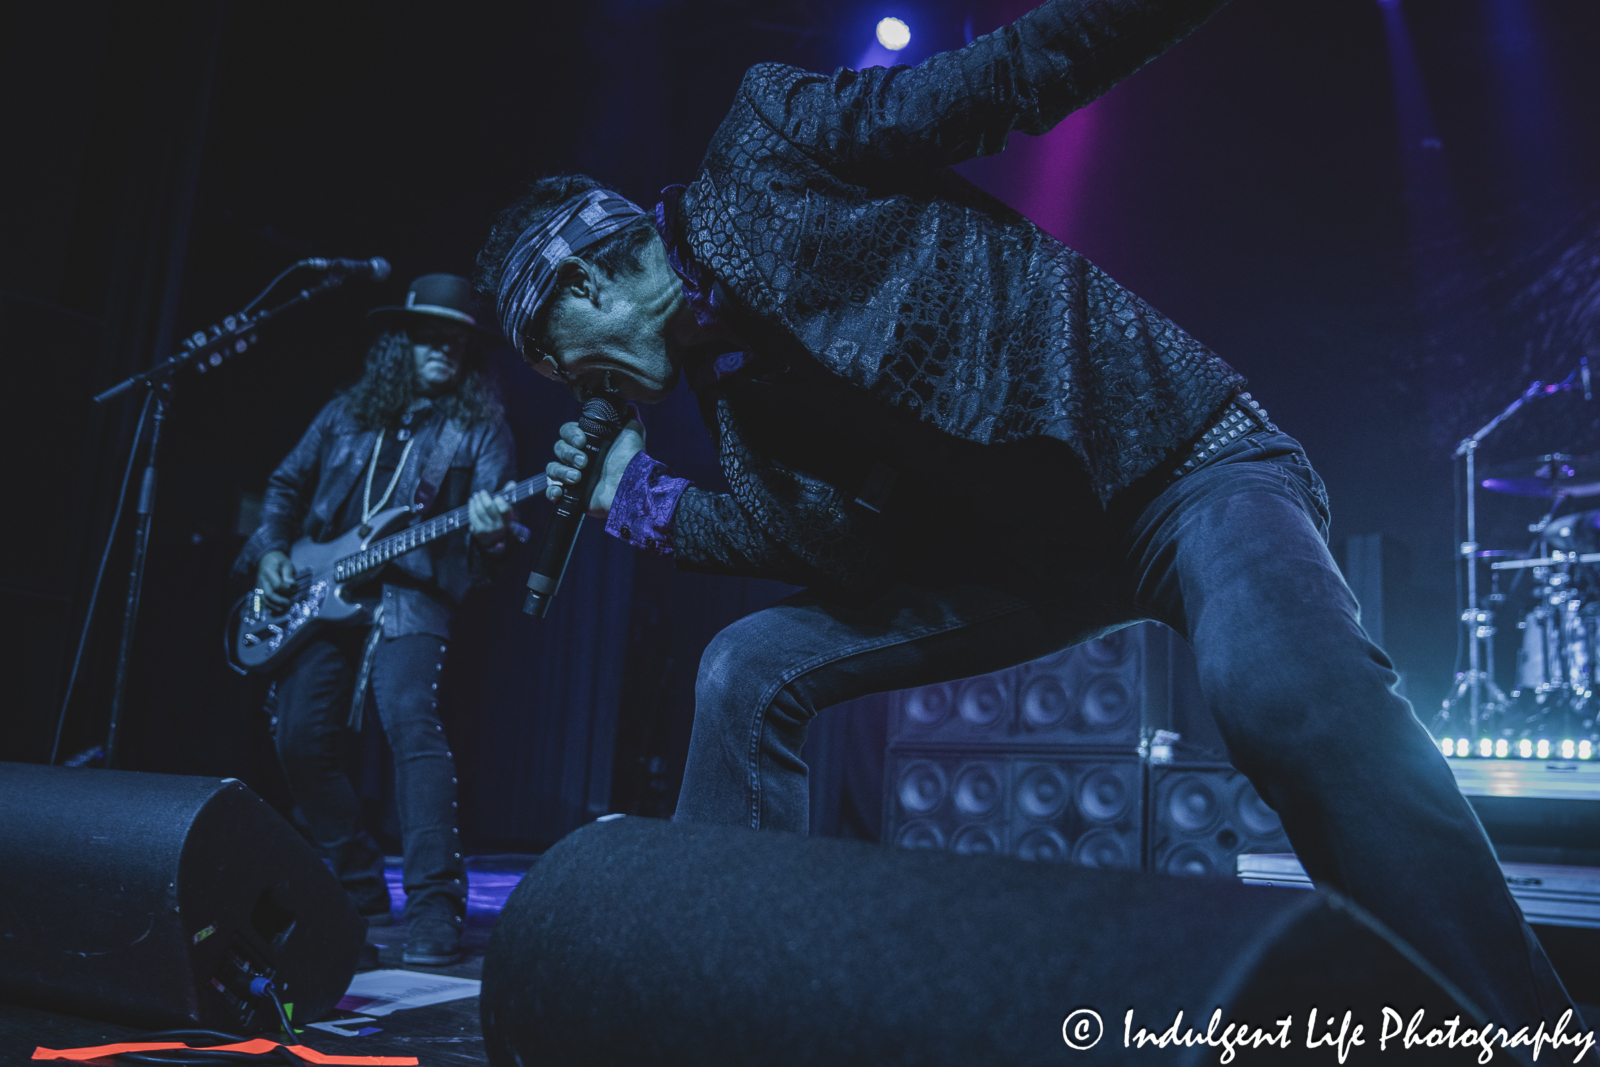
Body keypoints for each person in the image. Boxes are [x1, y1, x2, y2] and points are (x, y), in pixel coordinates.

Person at [473, 0, 1586, 1043]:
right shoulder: (722, 390)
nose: (574, 384)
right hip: (1020, 569)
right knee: (744, 664)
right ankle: (715, 1007)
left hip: (1173, 466)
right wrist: (639, 495)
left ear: (587, 287)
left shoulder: (768, 149)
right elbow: (821, 549)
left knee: (1280, 690)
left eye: (553, 360)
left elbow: (1007, 76)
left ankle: (1521, 1031)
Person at [235, 273, 517, 966]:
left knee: (410, 724)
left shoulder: (478, 428)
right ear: (402, 343)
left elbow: (495, 531)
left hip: (411, 594)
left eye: (459, 341)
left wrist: (489, 530)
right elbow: (283, 485)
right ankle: (358, 883)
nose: (446, 349)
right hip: (320, 585)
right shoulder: (346, 414)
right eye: (432, 337)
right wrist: (272, 547)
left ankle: (434, 904)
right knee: (300, 740)